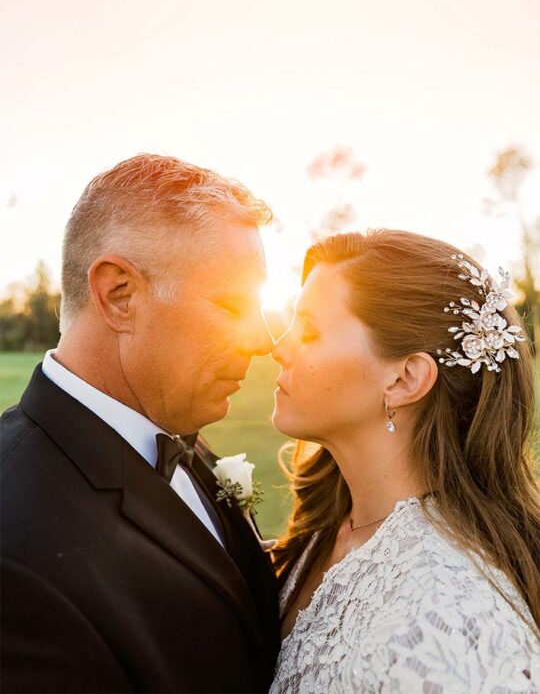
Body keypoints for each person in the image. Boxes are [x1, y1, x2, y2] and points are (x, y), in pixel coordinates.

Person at [1, 154, 280, 693]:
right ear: (119, 296)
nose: (262, 341)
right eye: (231, 304)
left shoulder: (181, 440)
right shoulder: (14, 558)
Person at [269, 229, 540, 693]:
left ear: (405, 379)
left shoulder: (447, 619)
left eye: (310, 331)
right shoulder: (334, 527)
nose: (278, 346)